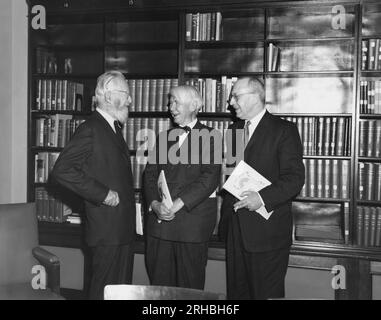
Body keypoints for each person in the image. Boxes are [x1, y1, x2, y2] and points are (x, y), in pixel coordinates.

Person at [51, 70, 136, 300]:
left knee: (119, 294)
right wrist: (103, 194)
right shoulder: (91, 128)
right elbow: (62, 170)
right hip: (106, 231)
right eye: (126, 94)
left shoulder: (112, 128)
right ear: (108, 97)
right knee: (104, 293)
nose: (130, 100)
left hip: (120, 230)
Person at [221, 77, 305, 300]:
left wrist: (262, 197)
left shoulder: (284, 130)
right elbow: (234, 174)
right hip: (235, 231)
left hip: (267, 235)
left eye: (236, 96)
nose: (231, 102)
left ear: (256, 96)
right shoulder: (234, 129)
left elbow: (295, 178)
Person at [143, 85, 221, 290]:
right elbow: (149, 175)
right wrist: (154, 204)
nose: (171, 107)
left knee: (189, 290)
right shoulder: (163, 137)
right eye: (170, 102)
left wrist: (175, 205)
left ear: (195, 105)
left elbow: (209, 179)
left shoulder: (212, 137)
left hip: (191, 227)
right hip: (160, 228)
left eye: (176, 101)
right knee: (159, 289)